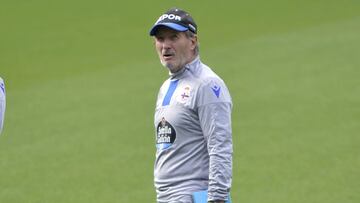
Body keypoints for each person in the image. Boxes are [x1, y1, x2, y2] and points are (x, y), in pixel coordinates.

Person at [149, 8, 233, 203]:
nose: (165, 46)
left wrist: (217, 198)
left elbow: (220, 146)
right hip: (167, 197)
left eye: (173, 37)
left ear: (192, 41)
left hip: (194, 195)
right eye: (160, 39)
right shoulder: (167, 86)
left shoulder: (207, 84)